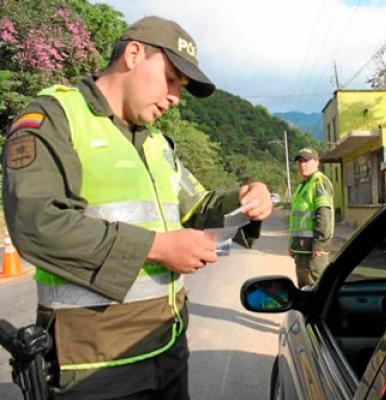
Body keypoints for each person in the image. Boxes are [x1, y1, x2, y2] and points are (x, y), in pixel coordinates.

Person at [2, 16, 272, 400]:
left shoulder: (157, 143)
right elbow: (36, 223)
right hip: (98, 365)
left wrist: (246, 197)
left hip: (169, 348)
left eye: (181, 87)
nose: (175, 96)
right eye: (172, 79)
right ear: (133, 54)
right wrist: (159, 248)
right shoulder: (55, 118)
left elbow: (197, 208)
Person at [288, 148, 334, 287]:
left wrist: (319, 242)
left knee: (316, 290)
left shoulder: (318, 182)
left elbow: (323, 213)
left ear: (317, 162)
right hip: (301, 250)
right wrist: (292, 244)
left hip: (314, 252)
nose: (302, 165)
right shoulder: (303, 185)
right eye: (300, 162)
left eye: (306, 161)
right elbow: (297, 220)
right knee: (304, 290)